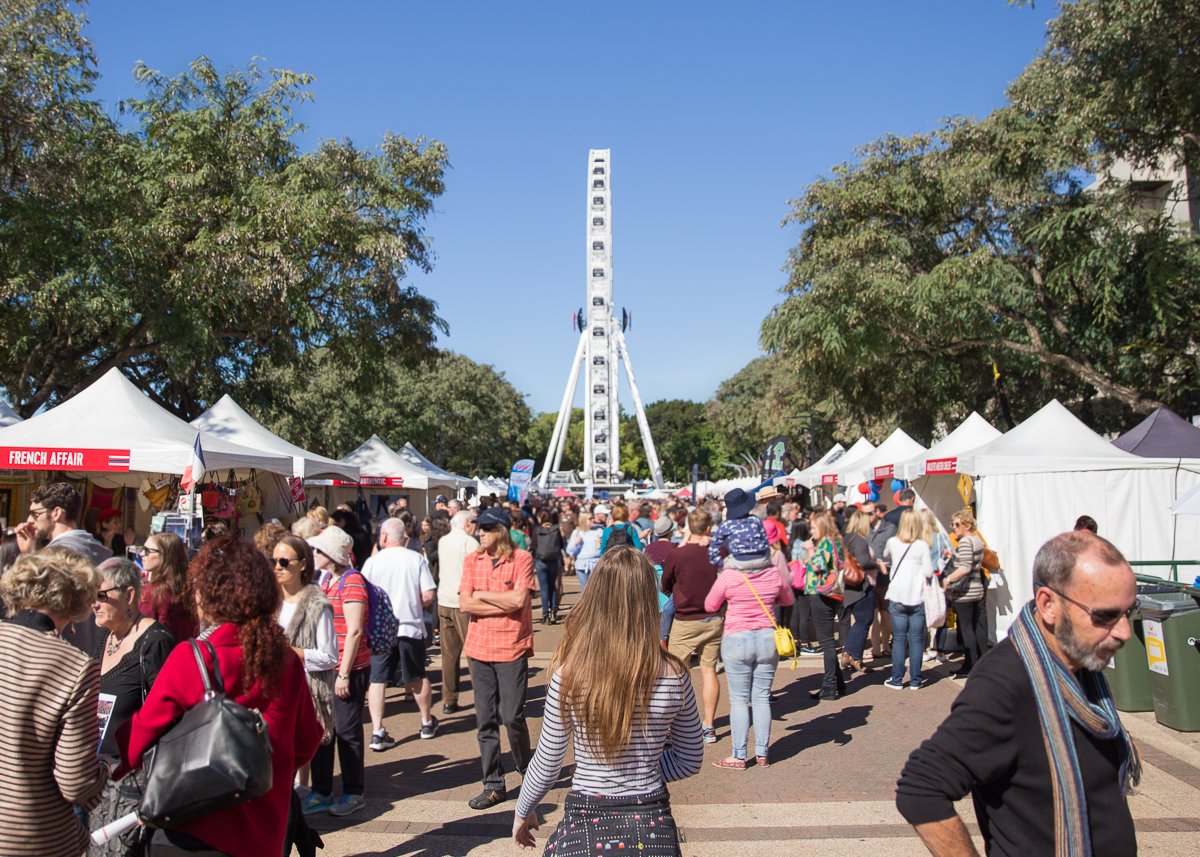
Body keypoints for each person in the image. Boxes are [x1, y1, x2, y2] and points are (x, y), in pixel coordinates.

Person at [896, 532, 1140, 857]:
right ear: (1048, 605)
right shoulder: (1006, 683)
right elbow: (921, 788)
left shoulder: (1081, 663)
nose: (1124, 631)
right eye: (1106, 615)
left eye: (1129, 611)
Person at [116, 535, 323, 857]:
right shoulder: (286, 661)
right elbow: (308, 739)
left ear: (211, 596)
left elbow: (142, 735)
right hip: (264, 828)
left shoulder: (194, 656)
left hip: (191, 824)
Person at [512, 548, 703, 854]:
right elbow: (690, 758)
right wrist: (645, 769)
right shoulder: (674, 674)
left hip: (587, 821)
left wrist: (524, 810)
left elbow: (548, 762)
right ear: (648, 598)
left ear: (595, 597)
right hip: (651, 822)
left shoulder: (570, 674)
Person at [0, 549, 108, 857]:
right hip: (30, 836)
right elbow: (76, 782)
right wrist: (104, 770)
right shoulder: (74, 666)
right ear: (76, 600)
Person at [88, 556, 176, 857]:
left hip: (133, 781)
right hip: (97, 776)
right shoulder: (105, 638)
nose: (94, 604)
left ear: (128, 595)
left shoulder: (155, 642)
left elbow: (167, 716)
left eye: (101, 596)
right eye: (91, 597)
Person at [459, 507, 536, 810]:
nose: (481, 532)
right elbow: (465, 603)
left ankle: (527, 768)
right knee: (484, 719)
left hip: (511, 647)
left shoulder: (522, 559)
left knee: (512, 716)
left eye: (487, 528)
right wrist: (496, 601)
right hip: (478, 648)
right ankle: (493, 783)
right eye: (480, 528)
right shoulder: (472, 560)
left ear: (501, 531)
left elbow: (519, 600)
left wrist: (482, 597)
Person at [705, 514, 794, 768]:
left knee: (739, 700)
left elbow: (710, 604)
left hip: (737, 638)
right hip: (767, 637)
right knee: (762, 697)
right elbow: (788, 600)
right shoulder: (773, 572)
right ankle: (763, 752)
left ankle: (739, 754)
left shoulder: (729, 575)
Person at [303, 525, 371, 817]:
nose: (314, 554)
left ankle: (354, 792)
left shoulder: (352, 581)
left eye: (318, 550)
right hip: (327, 666)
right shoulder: (327, 579)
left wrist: (343, 674)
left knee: (346, 731)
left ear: (330, 555)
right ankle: (321, 791)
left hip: (348, 667)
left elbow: (355, 630)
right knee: (323, 729)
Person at [362, 518, 438, 751]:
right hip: (409, 626)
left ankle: (377, 730)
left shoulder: (372, 563)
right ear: (403, 537)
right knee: (416, 675)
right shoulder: (414, 559)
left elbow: (362, 594)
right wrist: (412, 604)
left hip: (380, 630)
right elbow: (428, 595)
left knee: (378, 679)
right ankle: (426, 721)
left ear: (384, 537)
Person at [16, 482, 112, 653]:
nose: (30, 520)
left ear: (57, 513)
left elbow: (33, 603)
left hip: (60, 655)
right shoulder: (97, 549)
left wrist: (29, 556)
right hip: (93, 654)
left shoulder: (57, 556)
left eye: (35, 514)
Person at [272, 534, 337, 767]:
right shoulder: (269, 603)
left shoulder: (318, 606)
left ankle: (316, 793)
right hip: (275, 691)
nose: (277, 567)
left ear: (302, 565)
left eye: (284, 562)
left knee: (309, 750)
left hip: (307, 692)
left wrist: (294, 653)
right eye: (274, 561)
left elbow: (330, 657)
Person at [661, 507, 723, 745]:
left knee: (674, 673)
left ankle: (673, 726)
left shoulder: (678, 554)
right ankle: (708, 725)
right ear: (708, 528)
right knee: (708, 670)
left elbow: (665, 584)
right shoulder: (716, 551)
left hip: (686, 619)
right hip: (713, 617)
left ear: (687, 526)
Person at [883, 510, 934, 690]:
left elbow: (885, 554)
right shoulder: (922, 545)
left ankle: (897, 678)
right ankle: (915, 679)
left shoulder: (893, 542)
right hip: (917, 596)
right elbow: (928, 572)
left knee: (898, 639)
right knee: (917, 640)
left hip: (897, 596)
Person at [801, 511, 847, 700]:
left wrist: (810, 549)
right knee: (827, 640)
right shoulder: (836, 542)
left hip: (822, 593)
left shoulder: (826, 542)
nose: (811, 531)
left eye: (813, 527)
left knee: (826, 641)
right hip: (831, 593)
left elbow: (819, 565)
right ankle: (838, 682)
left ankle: (829, 686)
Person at [437, 510, 479, 715]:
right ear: (467, 524)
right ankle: (482, 696)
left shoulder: (443, 541)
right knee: (474, 653)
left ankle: (449, 699)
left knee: (448, 655)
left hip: (444, 599)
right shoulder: (470, 543)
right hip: (464, 601)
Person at [943, 508, 987, 680]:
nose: (954, 528)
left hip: (966, 592)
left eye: (957, 524)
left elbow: (965, 568)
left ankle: (971, 663)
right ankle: (978, 662)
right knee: (977, 627)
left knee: (966, 628)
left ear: (966, 525)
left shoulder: (965, 542)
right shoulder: (977, 540)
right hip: (977, 588)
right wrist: (954, 556)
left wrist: (948, 580)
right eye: (952, 524)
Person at [137, 531, 198, 644]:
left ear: (165, 555)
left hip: (161, 657)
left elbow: (141, 635)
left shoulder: (152, 593)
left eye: (147, 551)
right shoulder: (190, 589)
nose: (141, 554)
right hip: (186, 654)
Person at [839, 508, 879, 675]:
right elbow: (863, 561)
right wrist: (877, 563)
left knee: (860, 621)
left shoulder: (847, 538)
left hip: (849, 585)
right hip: (861, 585)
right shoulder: (859, 540)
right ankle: (853, 655)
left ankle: (850, 654)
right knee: (864, 621)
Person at [532, 509, 565, 625]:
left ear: (540, 518)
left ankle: (545, 614)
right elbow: (562, 544)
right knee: (553, 587)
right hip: (555, 561)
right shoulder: (556, 529)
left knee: (544, 588)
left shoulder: (537, 530)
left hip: (541, 561)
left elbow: (533, 546)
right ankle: (553, 612)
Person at [567, 510, 603, 592]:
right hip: (581, 565)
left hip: (596, 565)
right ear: (583, 520)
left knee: (596, 590)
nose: (592, 520)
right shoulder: (577, 532)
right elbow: (570, 551)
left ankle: (595, 605)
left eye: (592, 518)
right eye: (590, 519)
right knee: (584, 590)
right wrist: (575, 543)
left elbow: (603, 548)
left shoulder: (599, 531)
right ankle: (586, 605)